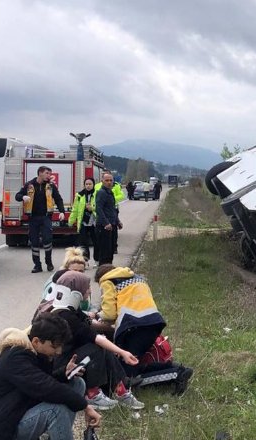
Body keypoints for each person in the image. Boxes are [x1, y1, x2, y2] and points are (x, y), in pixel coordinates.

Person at [50, 271, 144, 411]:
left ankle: (120, 389)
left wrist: (113, 328)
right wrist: (122, 352)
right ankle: (92, 395)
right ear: (76, 291)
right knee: (96, 347)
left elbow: (89, 323)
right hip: (63, 366)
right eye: (86, 287)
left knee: (103, 345)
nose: (89, 290)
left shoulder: (70, 310)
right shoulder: (64, 316)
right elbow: (94, 337)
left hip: (71, 357)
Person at [95, 264, 193, 393]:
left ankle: (176, 374)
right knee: (134, 362)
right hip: (153, 322)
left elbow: (109, 313)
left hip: (133, 327)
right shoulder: (137, 278)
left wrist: (96, 316)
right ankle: (172, 367)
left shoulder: (108, 281)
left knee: (127, 376)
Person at [15, 166, 65, 273]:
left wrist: (62, 212)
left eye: (50, 173)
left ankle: (49, 262)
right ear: (40, 173)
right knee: (34, 241)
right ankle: (37, 265)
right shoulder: (29, 185)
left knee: (47, 239)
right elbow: (17, 195)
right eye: (47, 173)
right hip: (33, 218)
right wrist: (23, 197)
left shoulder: (51, 186)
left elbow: (58, 199)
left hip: (46, 217)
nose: (49, 175)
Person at [94, 171, 124, 255]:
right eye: (107, 180)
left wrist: (118, 221)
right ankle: (103, 267)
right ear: (102, 181)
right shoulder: (101, 192)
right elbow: (99, 208)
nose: (109, 182)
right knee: (104, 251)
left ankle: (109, 267)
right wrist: (106, 223)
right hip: (104, 226)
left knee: (110, 250)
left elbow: (113, 209)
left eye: (111, 180)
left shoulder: (110, 192)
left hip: (112, 224)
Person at [69, 177, 97, 264]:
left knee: (96, 242)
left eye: (90, 184)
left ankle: (97, 260)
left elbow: (100, 208)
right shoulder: (79, 195)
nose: (88, 186)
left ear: (93, 185)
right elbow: (75, 209)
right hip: (83, 222)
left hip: (94, 222)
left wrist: (92, 208)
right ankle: (85, 260)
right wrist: (71, 220)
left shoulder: (97, 194)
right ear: (84, 185)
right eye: (86, 184)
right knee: (83, 243)